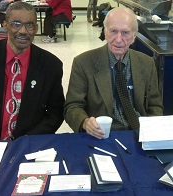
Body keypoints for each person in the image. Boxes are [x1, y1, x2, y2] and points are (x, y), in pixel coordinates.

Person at [64, 7, 163, 139]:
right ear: (105, 32)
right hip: (101, 136)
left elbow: (155, 105)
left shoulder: (146, 63)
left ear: (134, 36)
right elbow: (72, 107)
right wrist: (85, 122)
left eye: (125, 33)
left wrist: (151, 131)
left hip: (139, 134)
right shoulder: (83, 63)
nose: (118, 39)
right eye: (113, 31)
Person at [0, 1, 65, 141]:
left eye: (29, 25)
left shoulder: (51, 65)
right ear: (5, 25)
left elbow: (55, 113)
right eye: (16, 24)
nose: (23, 31)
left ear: (36, 28)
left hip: (28, 143)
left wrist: (29, 140)